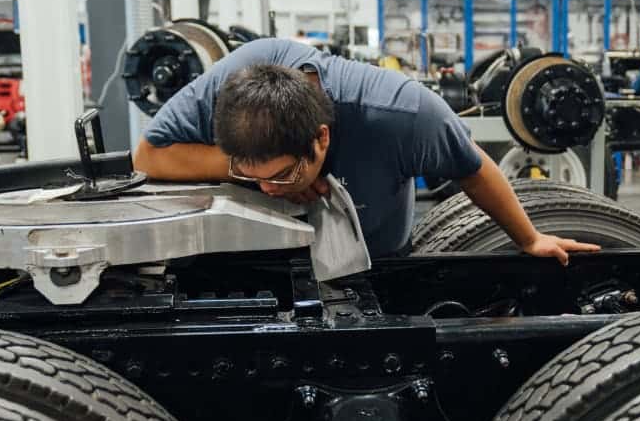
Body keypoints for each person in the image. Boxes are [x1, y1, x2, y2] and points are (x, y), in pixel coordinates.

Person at [133, 38, 598, 264]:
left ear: (321, 139)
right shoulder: (231, 84)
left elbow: (474, 169)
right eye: (252, 176)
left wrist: (529, 239)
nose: (266, 190)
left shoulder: (405, 116)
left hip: (376, 258)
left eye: (278, 176)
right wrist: (241, 173)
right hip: (261, 261)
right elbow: (148, 158)